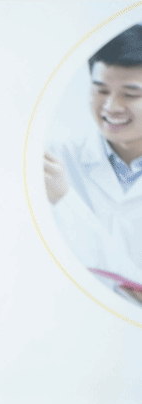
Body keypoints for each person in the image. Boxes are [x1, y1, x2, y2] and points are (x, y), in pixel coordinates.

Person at [45, 24, 142, 306]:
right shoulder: (53, 161)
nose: (111, 106)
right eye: (100, 90)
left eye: (130, 94)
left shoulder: (58, 186)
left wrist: (66, 201)